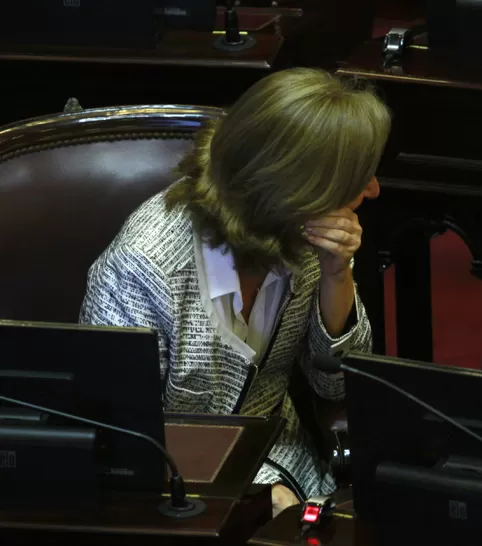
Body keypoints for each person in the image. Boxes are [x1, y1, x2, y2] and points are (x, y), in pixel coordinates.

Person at [80, 68, 390, 517]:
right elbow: (122, 449)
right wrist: (250, 495)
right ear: (297, 189)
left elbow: (335, 383)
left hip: (291, 470)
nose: (373, 190)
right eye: (357, 178)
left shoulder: (306, 242)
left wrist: (336, 275)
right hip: (177, 500)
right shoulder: (141, 271)